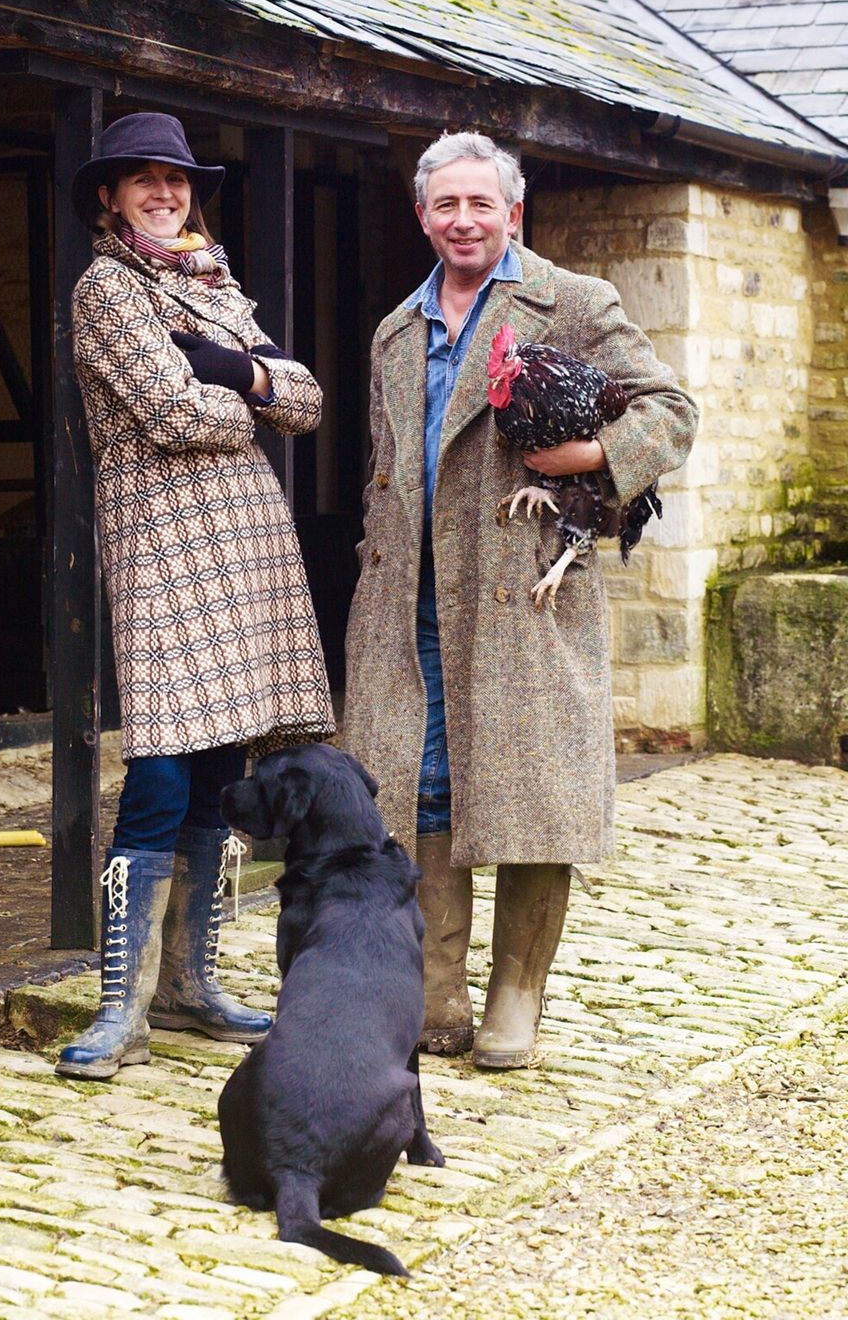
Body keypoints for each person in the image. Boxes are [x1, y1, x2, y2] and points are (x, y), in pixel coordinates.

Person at [341, 131, 697, 1070]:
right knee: (420, 781)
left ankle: (517, 995)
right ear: (423, 216)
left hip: (522, 595)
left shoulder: (572, 302)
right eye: (445, 206)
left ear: (514, 211)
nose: (464, 221)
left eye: (480, 204)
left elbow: (671, 410)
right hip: (410, 594)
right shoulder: (394, 330)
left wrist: (589, 460)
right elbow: (387, 466)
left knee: (535, 788)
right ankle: (437, 990)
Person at [56, 112, 334, 1080]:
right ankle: (118, 1005)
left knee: (220, 766)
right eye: (143, 181)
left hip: (245, 543)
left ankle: (189, 987)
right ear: (110, 194)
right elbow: (170, 412)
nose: (164, 194)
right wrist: (246, 389)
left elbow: (307, 400)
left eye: (175, 180)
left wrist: (237, 368)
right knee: (162, 768)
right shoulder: (108, 286)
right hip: (167, 544)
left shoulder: (209, 281)